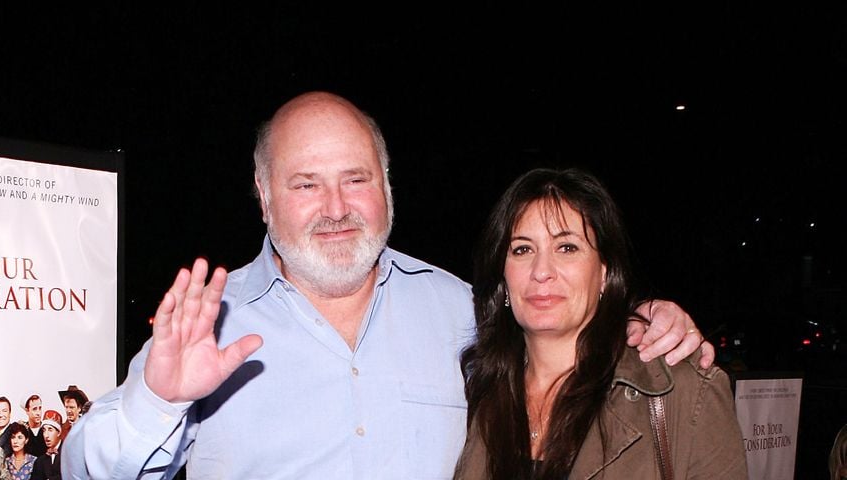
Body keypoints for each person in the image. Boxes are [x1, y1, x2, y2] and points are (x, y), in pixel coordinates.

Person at [63, 91, 711, 479]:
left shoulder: (464, 309)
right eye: (306, 184)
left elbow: (565, 337)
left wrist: (640, 320)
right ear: (263, 197)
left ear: (388, 188)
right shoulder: (207, 322)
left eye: (356, 178)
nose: (337, 206)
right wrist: (158, 401)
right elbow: (81, 468)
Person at [453, 168, 747, 479]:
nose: (542, 271)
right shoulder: (480, 395)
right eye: (522, 249)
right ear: (503, 277)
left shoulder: (684, 393)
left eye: (567, 248)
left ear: (605, 272)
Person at [29, 411, 62, 480]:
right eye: (44, 430)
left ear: (59, 432)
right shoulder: (40, 461)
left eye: (50, 430)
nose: (46, 435)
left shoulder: (69, 455)